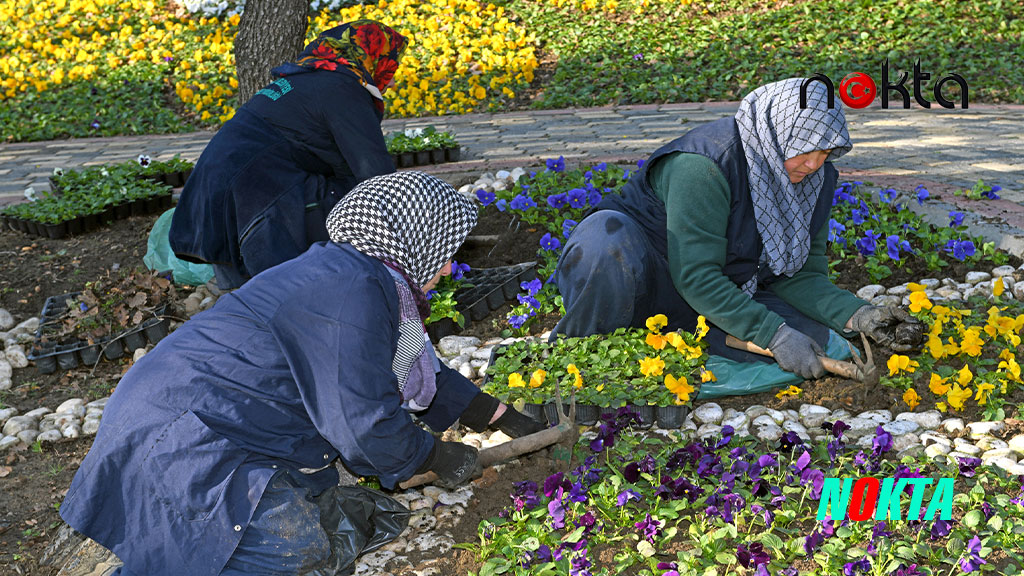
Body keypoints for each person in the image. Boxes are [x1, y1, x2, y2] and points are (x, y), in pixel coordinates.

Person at [60, 172, 545, 576]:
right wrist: (432, 454)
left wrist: (495, 414)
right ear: (412, 239)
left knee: (301, 520)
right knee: (294, 550)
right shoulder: (352, 293)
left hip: (197, 419)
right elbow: (364, 421)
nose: (448, 266)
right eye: (445, 249)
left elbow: (404, 363)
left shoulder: (354, 274)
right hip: (182, 441)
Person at [552, 78, 917, 380]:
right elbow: (695, 274)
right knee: (605, 239)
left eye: (826, 153)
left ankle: (674, 344)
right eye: (805, 149)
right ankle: (586, 352)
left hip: (717, 292)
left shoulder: (815, 179)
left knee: (823, 344)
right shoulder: (705, 165)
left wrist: (859, 315)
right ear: (776, 132)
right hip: (642, 275)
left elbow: (800, 276)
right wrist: (771, 334)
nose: (813, 164)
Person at [170, 20, 406, 290]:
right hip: (255, 204)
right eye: (390, 62)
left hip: (213, 203)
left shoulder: (307, 79)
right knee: (354, 198)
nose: (392, 74)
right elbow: (377, 176)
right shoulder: (341, 87)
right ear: (372, 55)